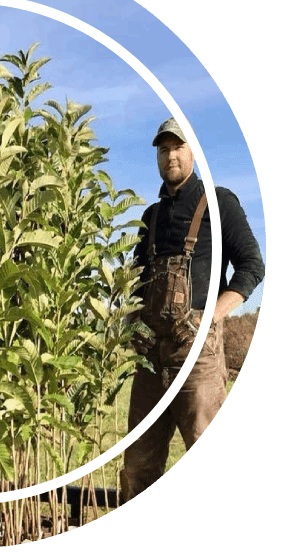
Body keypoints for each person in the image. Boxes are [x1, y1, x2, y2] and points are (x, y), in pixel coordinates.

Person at [119, 117, 265, 503]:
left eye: (178, 147)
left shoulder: (220, 204)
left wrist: (210, 318)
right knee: (137, 464)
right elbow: (135, 281)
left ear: (194, 153)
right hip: (151, 359)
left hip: (197, 358)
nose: (171, 156)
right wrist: (129, 322)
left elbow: (253, 267)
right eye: (163, 149)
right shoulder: (149, 217)